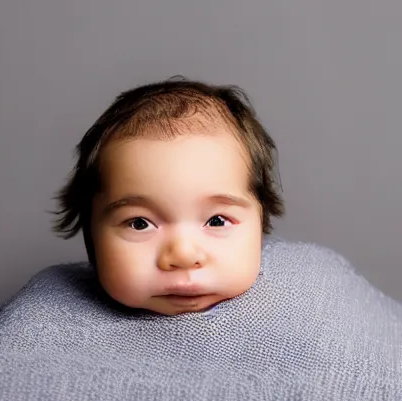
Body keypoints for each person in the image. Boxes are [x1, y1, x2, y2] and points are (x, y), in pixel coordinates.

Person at [51, 77, 285, 315]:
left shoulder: (302, 307)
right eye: (139, 223)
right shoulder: (49, 320)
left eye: (217, 220)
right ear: (90, 231)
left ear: (260, 221)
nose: (183, 255)